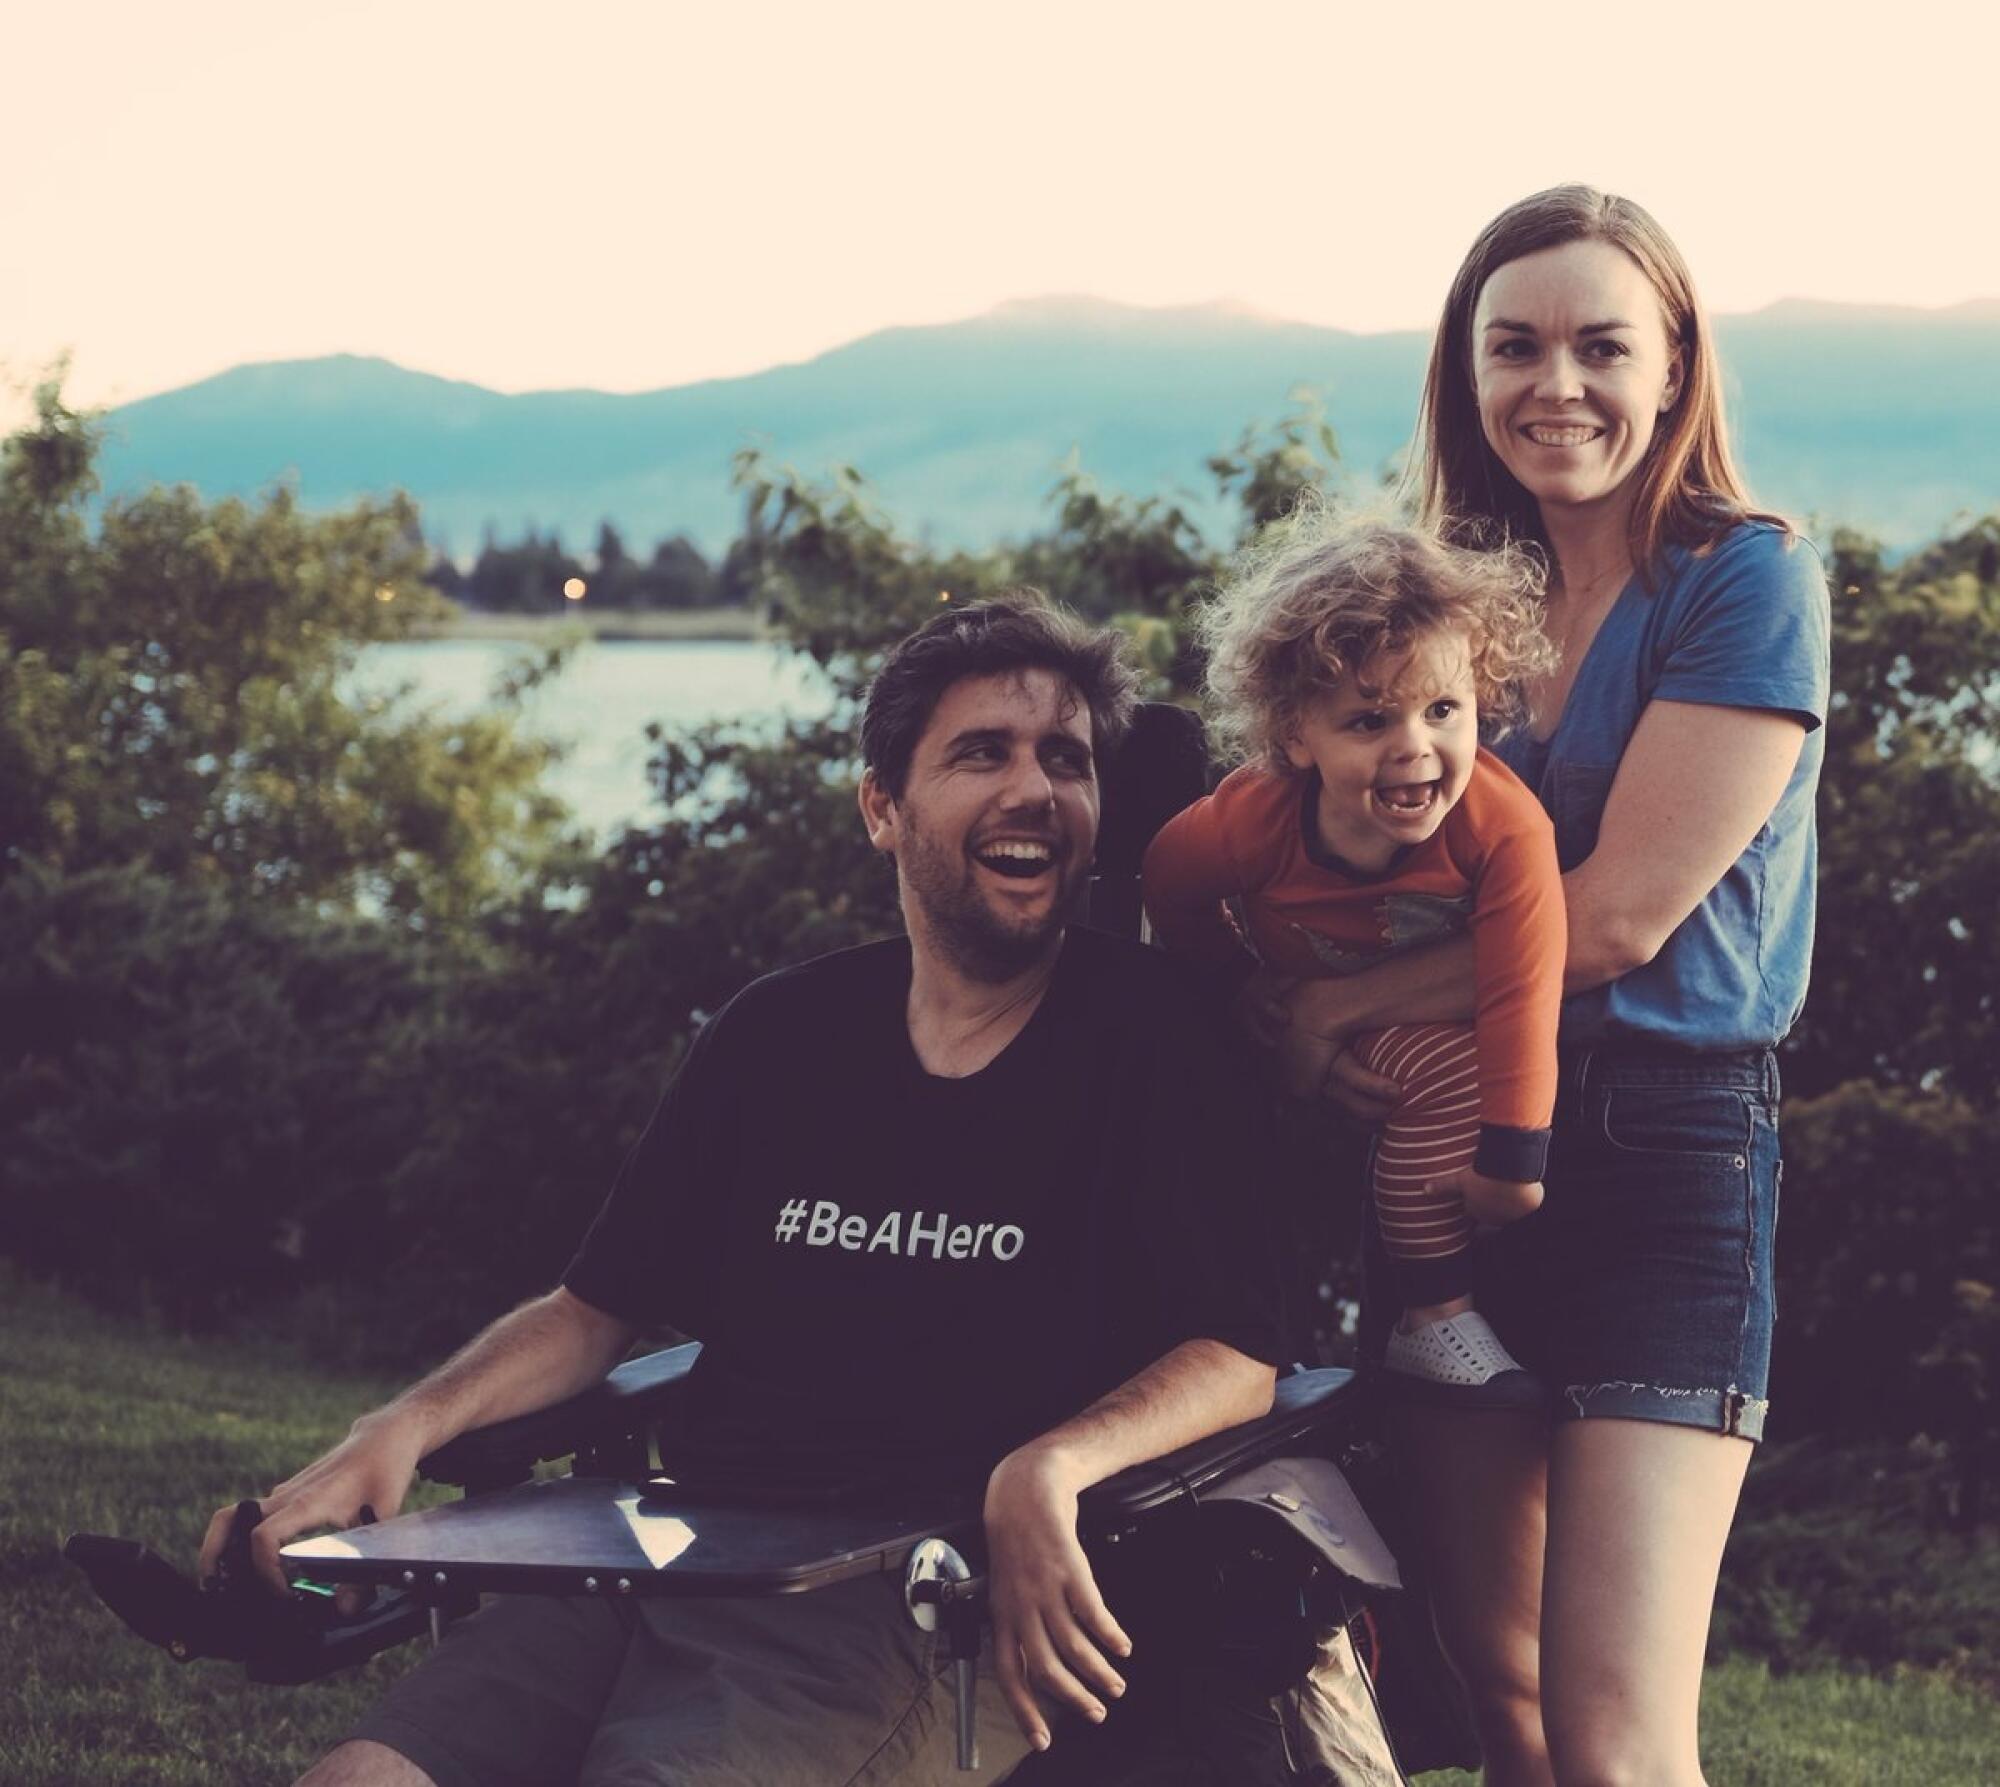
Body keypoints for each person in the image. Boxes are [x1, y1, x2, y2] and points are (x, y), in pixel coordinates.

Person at [204, 595, 1289, 1787]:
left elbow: (1239, 1351)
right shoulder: (781, 1032)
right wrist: (396, 1429)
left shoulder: (1156, 1041)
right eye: (982, 752)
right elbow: (591, 1310)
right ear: (882, 805)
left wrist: (1046, 1466)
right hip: (652, 1559)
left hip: (904, 1605)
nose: (1034, 790)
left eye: (1067, 761)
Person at [1262, 186, 1830, 1785]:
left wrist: (1342, 1013)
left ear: (1674, 367)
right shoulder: (1456, 608)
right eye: (1514, 346)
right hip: (1449, 1154)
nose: (1554, 384)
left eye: (1600, 344)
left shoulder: (1743, 579)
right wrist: (1284, 1001)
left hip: (1666, 1151)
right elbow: (1335, 849)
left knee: (1614, 1723)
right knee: (1493, 1692)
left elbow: (1621, 917)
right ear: (1467, 372)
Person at [1140, 509, 1565, 1403]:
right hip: (1295, 1006)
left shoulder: (1504, 825)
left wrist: (1513, 1164)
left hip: (1417, 1021)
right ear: (1299, 736)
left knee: (1449, 1071)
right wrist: (1244, 986)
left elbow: (1524, 983)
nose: (1415, 745)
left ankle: (1432, 1317)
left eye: (1443, 710)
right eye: (1370, 720)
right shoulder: (1250, 820)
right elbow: (1168, 886)